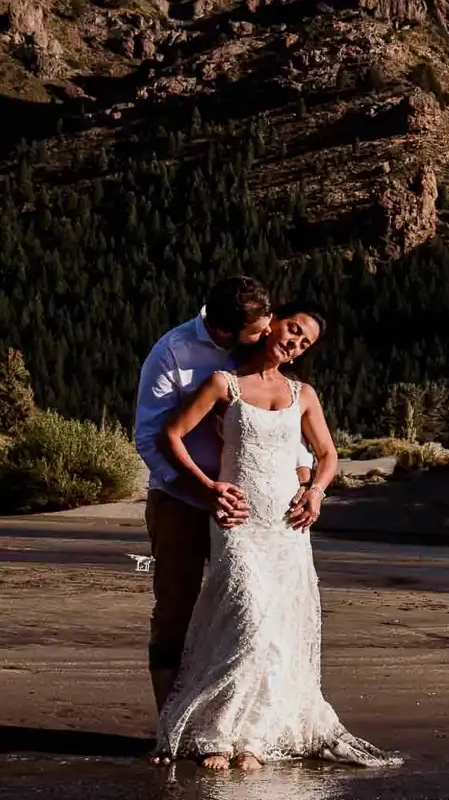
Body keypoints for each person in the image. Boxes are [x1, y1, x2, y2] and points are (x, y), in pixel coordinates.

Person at [152, 304, 400, 770]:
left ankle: (253, 739)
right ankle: (217, 736)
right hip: (238, 522)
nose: (295, 342)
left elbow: (327, 454)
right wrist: (207, 488)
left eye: (305, 342)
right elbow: (171, 434)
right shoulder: (222, 384)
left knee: (277, 631)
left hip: (288, 527)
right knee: (246, 619)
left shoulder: (303, 393)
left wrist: (317, 493)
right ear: (272, 325)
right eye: (293, 329)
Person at [133, 276, 310, 715]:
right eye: (261, 329)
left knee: (247, 610)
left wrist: (307, 484)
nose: (272, 332)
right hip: (183, 501)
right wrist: (204, 492)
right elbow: (151, 439)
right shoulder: (173, 354)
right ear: (226, 332)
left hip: (254, 512)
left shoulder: (261, 352)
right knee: (178, 609)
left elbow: (284, 426)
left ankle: (236, 721)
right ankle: (170, 724)